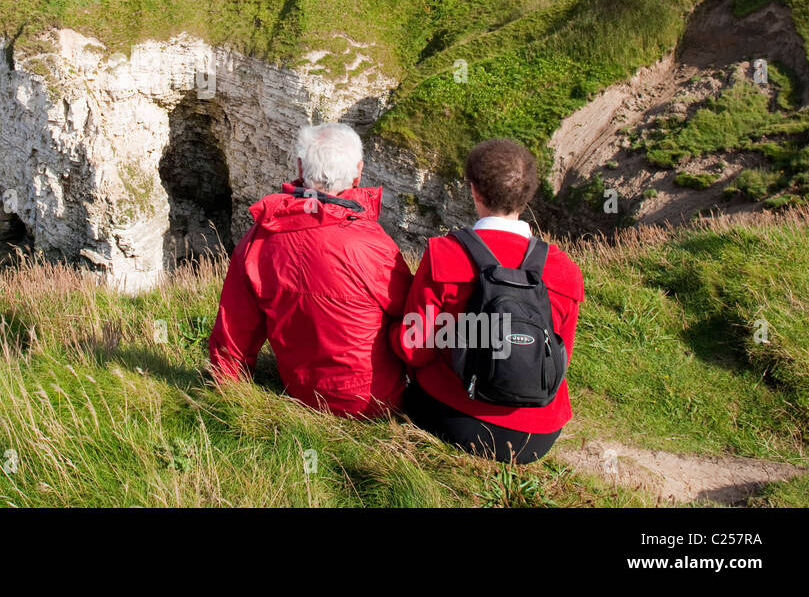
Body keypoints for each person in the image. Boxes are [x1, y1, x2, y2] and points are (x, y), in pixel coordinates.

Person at [390, 138, 584, 463]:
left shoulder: (445, 254)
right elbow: (560, 356)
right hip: (537, 436)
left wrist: (389, 330)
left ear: (474, 191)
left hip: (456, 418)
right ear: (528, 194)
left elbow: (416, 348)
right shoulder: (566, 271)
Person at [207, 123, 414, 417]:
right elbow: (412, 314)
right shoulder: (372, 244)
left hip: (304, 394)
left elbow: (235, 328)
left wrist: (227, 392)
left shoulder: (261, 236)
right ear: (359, 171)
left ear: (301, 167)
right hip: (377, 401)